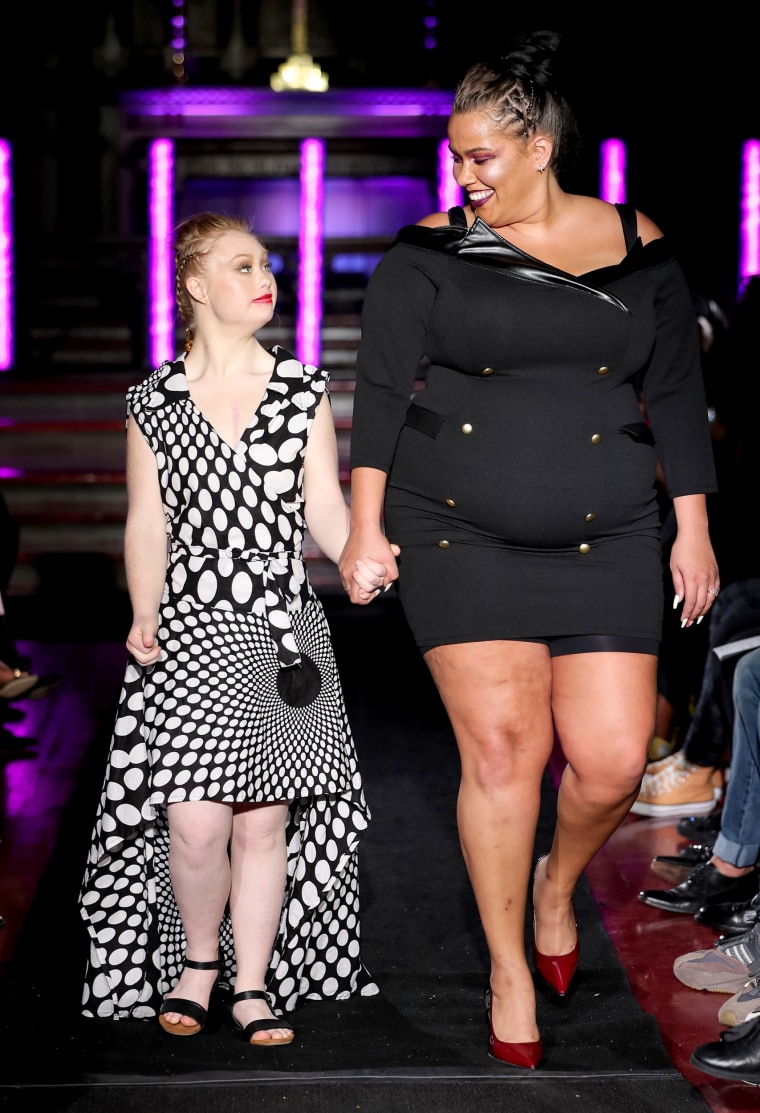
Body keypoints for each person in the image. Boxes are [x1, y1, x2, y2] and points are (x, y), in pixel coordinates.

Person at [338, 31, 719, 1069]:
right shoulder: (428, 251)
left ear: (541, 146)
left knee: (605, 763)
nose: (462, 175)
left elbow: (676, 393)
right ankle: (508, 963)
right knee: (502, 756)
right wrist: (365, 522)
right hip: (456, 526)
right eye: (457, 156)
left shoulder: (638, 244)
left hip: (608, 533)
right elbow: (378, 396)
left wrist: (692, 523)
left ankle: (557, 883)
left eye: (482, 157)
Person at [78, 212, 387, 1045]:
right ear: (194, 284)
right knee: (194, 823)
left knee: (261, 822)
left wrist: (357, 554)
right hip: (188, 629)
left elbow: (323, 502)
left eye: (267, 264)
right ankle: (196, 964)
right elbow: (148, 521)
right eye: (242, 265)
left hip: (278, 632)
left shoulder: (302, 388)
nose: (264, 277)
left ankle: (249, 984)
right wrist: (144, 606)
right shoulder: (153, 399)